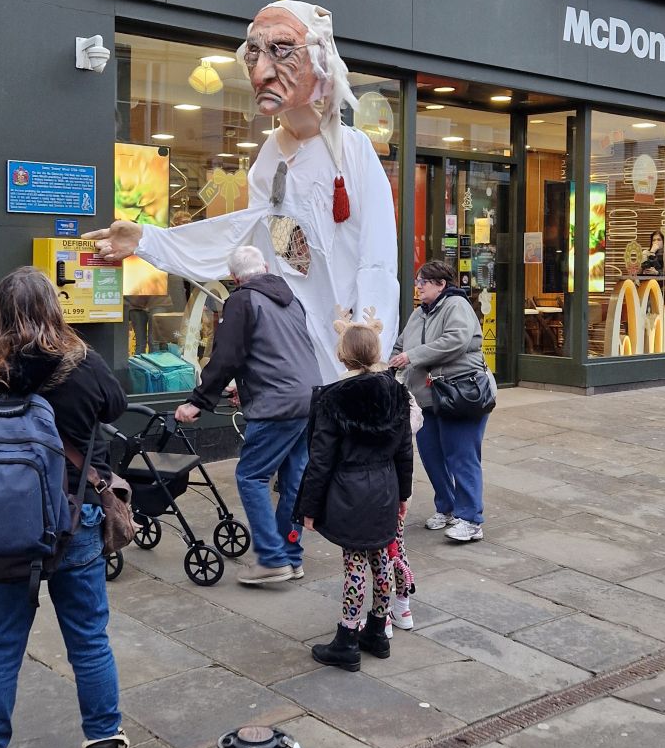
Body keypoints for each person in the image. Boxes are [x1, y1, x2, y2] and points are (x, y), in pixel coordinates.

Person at [84, 1, 399, 382]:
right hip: (291, 359)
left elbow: (377, 260)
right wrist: (148, 239)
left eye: (281, 49)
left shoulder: (353, 151)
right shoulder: (270, 158)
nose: (262, 71)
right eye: (253, 52)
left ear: (319, 60)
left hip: (347, 357)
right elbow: (250, 239)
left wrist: (366, 349)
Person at [0, 267, 130, 748]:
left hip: (4, 532)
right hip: (74, 522)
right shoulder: (83, 364)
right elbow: (114, 407)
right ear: (54, 307)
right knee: (89, 642)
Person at [175, 245, 321, 585]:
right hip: (308, 397)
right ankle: (290, 555)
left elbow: (226, 356)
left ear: (235, 277)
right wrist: (247, 386)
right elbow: (279, 352)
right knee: (294, 481)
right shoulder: (290, 299)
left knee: (251, 476)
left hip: (278, 404)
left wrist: (198, 401)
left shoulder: (241, 300)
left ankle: (271, 559)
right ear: (266, 267)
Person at [295, 316, 413, 671]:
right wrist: (403, 494)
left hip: (350, 492)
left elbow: (320, 459)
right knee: (382, 560)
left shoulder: (333, 399)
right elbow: (404, 450)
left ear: (343, 356)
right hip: (385, 488)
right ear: (376, 352)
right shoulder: (396, 392)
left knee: (355, 565)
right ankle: (376, 630)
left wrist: (308, 508)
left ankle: (347, 638)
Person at [389, 260, 495, 543]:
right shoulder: (418, 313)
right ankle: (446, 508)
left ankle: (471, 519)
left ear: (441, 284)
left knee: (461, 457)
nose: (418, 286)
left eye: (423, 281)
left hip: (460, 395)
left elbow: (456, 340)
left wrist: (413, 356)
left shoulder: (456, 306)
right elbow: (401, 345)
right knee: (432, 456)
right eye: (417, 281)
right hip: (428, 399)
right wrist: (390, 361)